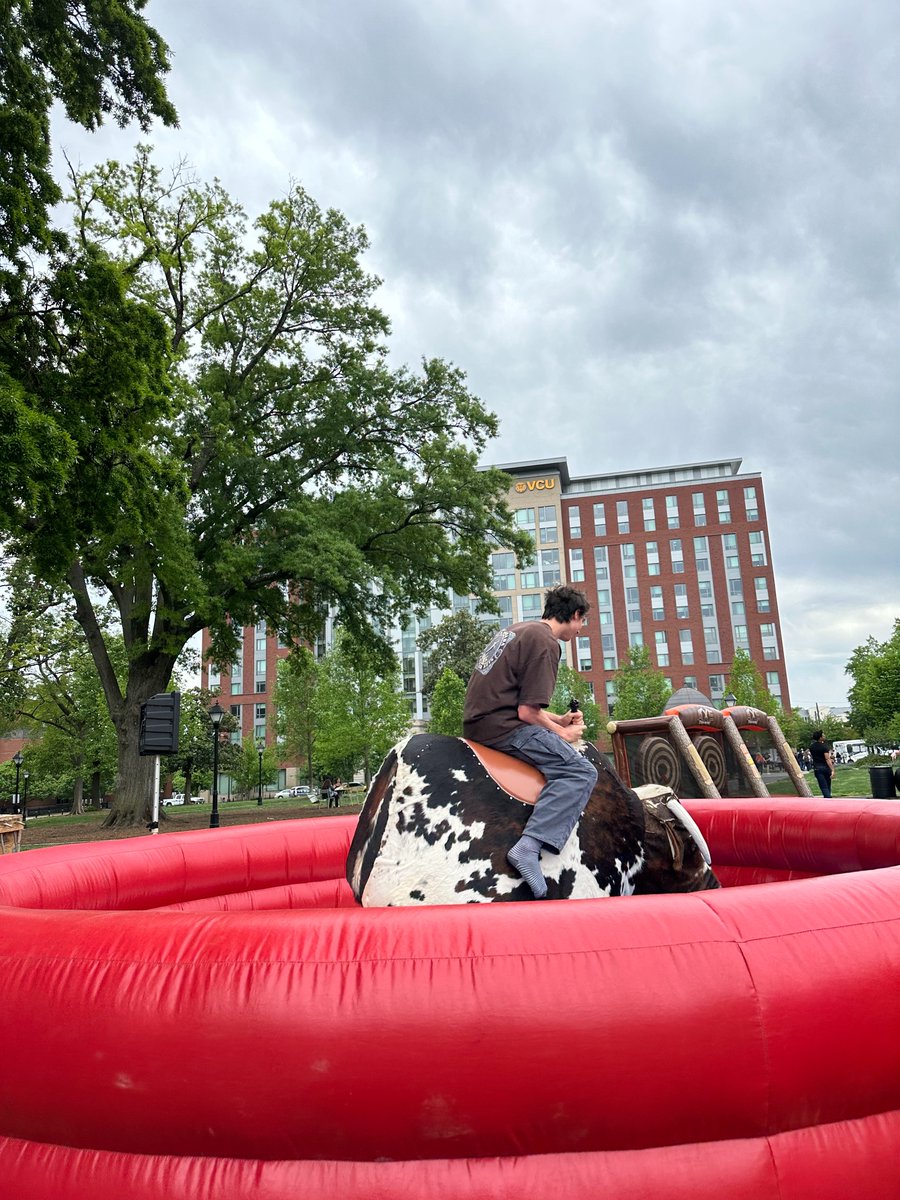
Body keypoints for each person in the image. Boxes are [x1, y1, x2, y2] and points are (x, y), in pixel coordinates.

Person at [463, 585, 598, 899]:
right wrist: (563, 734)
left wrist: (557, 721)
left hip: (483, 720)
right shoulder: (547, 643)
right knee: (580, 772)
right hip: (502, 728)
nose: (580, 630)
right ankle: (529, 846)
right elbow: (525, 713)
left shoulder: (520, 630)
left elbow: (526, 708)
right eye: (582, 622)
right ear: (576, 615)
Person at [808, 731, 834, 798]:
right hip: (825, 767)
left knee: (823, 786)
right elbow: (827, 759)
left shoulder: (812, 747)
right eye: (823, 735)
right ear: (820, 737)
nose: (824, 736)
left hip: (817, 768)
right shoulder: (824, 747)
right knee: (828, 785)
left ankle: (827, 797)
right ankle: (829, 798)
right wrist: (832, 770)